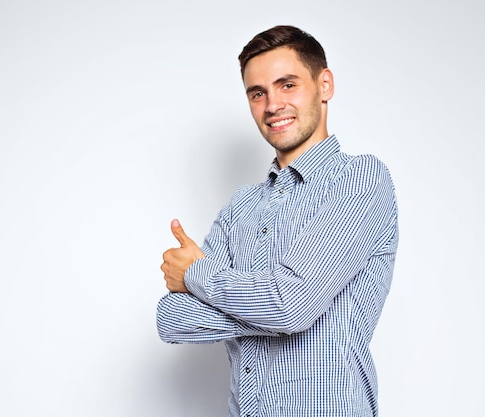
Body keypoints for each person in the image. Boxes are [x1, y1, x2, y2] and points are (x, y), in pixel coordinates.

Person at [156, 25, 399, 417]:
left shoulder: (360, 180)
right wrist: (270, 307)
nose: (272, 105)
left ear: (324, 85)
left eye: (287, 85)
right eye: (258, 93)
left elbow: (289, 306)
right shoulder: (240, 207)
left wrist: (198, 274)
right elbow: (172, 319)